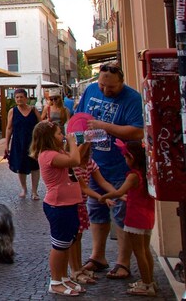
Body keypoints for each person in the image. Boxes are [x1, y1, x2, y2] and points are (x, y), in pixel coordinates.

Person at [74, 62, 143, 281]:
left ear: (121, 82)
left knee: (122, 214)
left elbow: (137, 131)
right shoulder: (91, 90)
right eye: (102, 86)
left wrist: (104, 126)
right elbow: (79, 120)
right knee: (96, 210)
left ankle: (123, 262)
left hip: (121, 167)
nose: (105, 90)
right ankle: (98, 256)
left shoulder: (132, 98)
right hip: (95, 164)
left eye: (111, 87)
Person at [30, 120, 86, 296]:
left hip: (68, 204)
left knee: (67, 243)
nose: (62, 136)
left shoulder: (58, 152)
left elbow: (76, 158)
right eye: (59, 134)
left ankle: (63, 277)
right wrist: (72, 142)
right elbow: (75, 160)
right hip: (58, 205)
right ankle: (55, 282)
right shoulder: (48, 155)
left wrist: (83, 143)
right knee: (59, 245)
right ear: (49, 138)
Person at [100, 141, 157, 297]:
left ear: (132, 158)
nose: (124, 160)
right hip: (147, 216)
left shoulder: (133, 176)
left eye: (125, 157)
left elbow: (119, 192)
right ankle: (149, 280)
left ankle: (146, 285)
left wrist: (104, 197)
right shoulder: (146, 173)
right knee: (145, 250)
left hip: (135, 217)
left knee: (139, 252)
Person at [66, 113, 115, 285]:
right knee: (73, 238)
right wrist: (103, 197)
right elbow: (84, 187)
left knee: (78, 237)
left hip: (81, 206)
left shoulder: (89, 163)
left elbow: (102, 182)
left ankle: (78, 267)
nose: (86, 147)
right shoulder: (72, 165)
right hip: (71, 206)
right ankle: (74, 269)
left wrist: (117, 193)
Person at [4, 88, 40, 199]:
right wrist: (6, 144)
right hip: (18, 142)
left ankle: (34, 191)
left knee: (35, 166)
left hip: (33, 143)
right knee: (20, 166)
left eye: (21, 97)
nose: (19, 99)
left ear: (26, 98)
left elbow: (40, 125)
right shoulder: (12, 111)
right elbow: (9, 128)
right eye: (17, 97)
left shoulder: (33, 110)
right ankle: (24, 189)